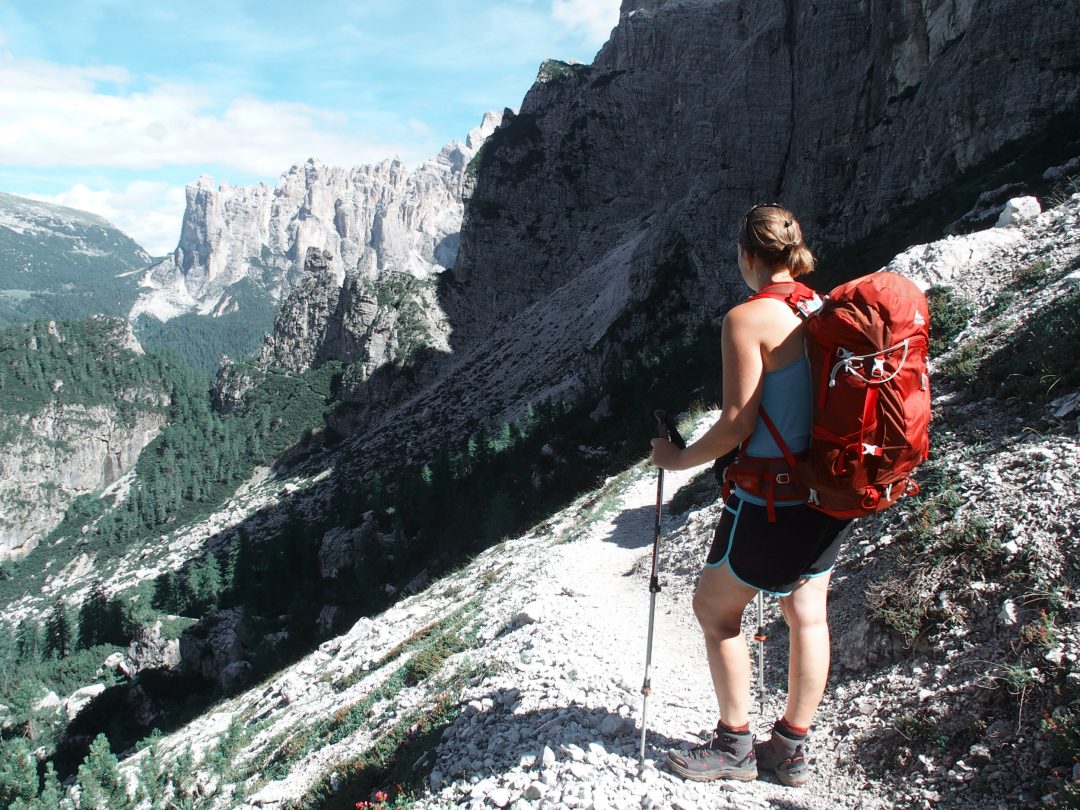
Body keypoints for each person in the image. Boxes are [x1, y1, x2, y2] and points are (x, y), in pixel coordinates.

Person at [649, 203, 850, 786]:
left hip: (770, 499)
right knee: (807, 613)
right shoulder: (823, 306)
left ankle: (733, 744)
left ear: (747, 256)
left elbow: (738, 424)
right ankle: (790, 747)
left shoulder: (747, 318)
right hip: (828, 492)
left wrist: (678, 458)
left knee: (714, 610)